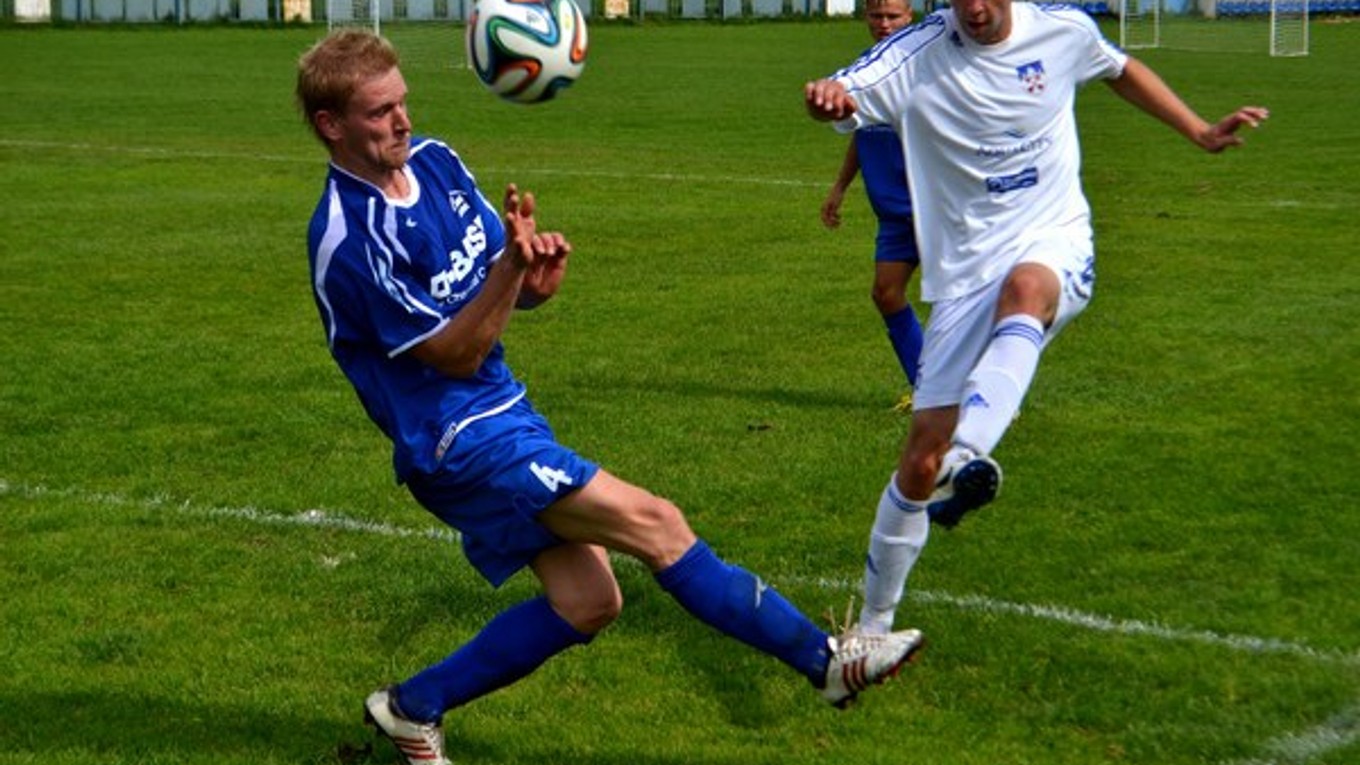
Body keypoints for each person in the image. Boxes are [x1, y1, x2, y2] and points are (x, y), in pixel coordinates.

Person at [296, 29, 924, 765]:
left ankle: (412, 707)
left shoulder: (436, 162)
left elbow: (487, 300)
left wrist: (529, 281)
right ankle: (826, 661)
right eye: (379, 113)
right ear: (329, 126)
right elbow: (455, 353)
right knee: (657, 523)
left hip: (499, 408)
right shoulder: (347, 236)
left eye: (402, 102)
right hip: (452, 440)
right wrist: (509, 266)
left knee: (589, 601)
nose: (402, 120)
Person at [805, 0, 1268, 635]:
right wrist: (827, 98)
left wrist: (1197, 130)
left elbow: (1118, 67)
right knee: (917, 459)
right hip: (964, 271)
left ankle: (967, 456)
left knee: (1026, 290)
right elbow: (849, 89)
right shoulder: (916, 54)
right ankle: (872, 629)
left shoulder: (1063, 29)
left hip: (1053, 237)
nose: (972, 8)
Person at [820, 0, 923, 413]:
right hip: (894, 213)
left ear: (910, 16)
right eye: (876, 16)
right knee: (886, 293)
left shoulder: (924, 66)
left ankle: (985, 395)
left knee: (962, 304)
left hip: (932, 208)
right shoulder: (864, 69)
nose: (883, 24)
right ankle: (929, 390)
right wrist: (840, 186)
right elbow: (860, 131)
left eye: (893, 16)